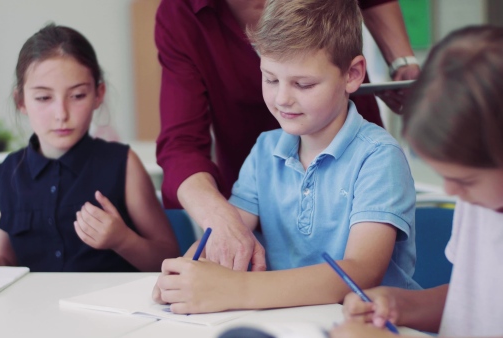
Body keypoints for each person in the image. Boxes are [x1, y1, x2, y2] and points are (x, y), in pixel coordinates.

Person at [153, 0, 418, 314]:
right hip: (287, 324)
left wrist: (240, 290)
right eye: (270, 79)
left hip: (368, 325)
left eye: (303, 84)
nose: (282, 99)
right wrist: (186, 271)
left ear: (352, 74)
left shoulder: (378, 158)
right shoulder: (265, 151)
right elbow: (228, 231)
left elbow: (361, 271)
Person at [0, 24, 180, 272]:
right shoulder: (11, 171)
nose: (61, 114)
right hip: (34, 310)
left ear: (98, 94)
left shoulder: (123, 164)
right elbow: (6, 265)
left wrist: (123, 241)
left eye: (78, 95)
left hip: (107, 310)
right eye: (43, 98)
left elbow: (170, 258)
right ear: (21, 101)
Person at [331, 26, 503, 338]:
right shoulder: (479, 200)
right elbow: (476, 302)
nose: (451, 192)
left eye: (465, 179)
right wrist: (400, 304)